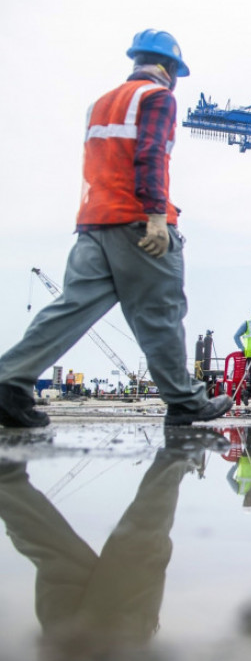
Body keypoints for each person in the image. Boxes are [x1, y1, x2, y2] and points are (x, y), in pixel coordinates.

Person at [0, 29, 232, 428]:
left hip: (93, 222)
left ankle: (8, 382)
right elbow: (151, 154)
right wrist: (157, 215)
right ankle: (184, 400)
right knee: (161, 310)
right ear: (170, 68)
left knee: (71, 307)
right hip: (138, 222)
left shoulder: (100, 104)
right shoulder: (158, 98)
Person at [0, 427, 228, 658]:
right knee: (55, 555)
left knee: (140, 549)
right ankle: (6, 483)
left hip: (115, 642)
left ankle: (178, 457)